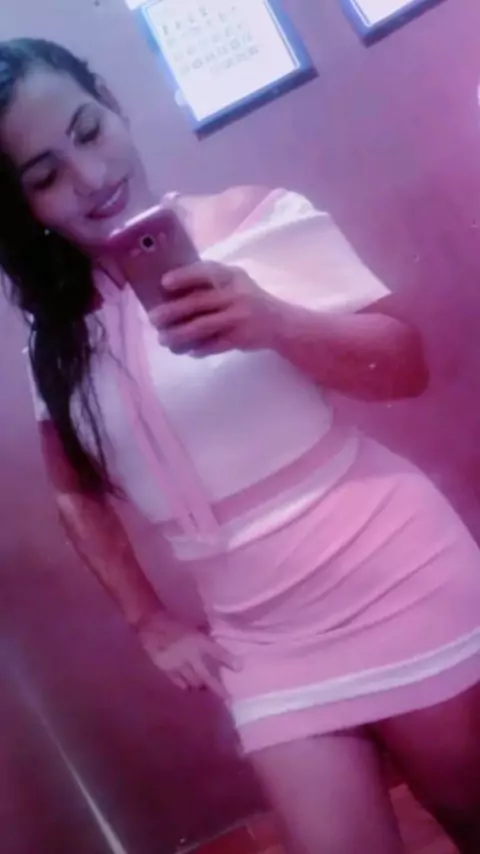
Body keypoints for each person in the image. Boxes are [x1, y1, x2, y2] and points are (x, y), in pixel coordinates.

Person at [0, 37, 479, 854]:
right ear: (22, 206)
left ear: (112, 103)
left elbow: (405, 366)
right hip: (260, 644)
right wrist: (149, 621)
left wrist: (273, 321)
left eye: (88, 130)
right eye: (45, 175)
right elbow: (75, 488)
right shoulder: (54, 339)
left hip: (398, 573)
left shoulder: (256, 219)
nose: (90, 176)